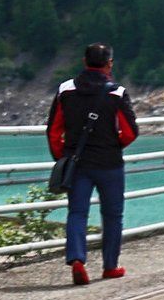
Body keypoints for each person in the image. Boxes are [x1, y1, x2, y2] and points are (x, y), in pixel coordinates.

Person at [46, 42, 139, 285]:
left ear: (84, 62)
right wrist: (113, 145)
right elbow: (130, 132)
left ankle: (77, 259)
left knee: (77, 212)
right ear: (109, 64)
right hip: (109, 163)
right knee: (112, 215)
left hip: (78, 164)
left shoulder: (65, 90)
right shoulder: (116, 92)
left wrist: (62, 158)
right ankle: (110, 266)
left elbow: (54, 131)